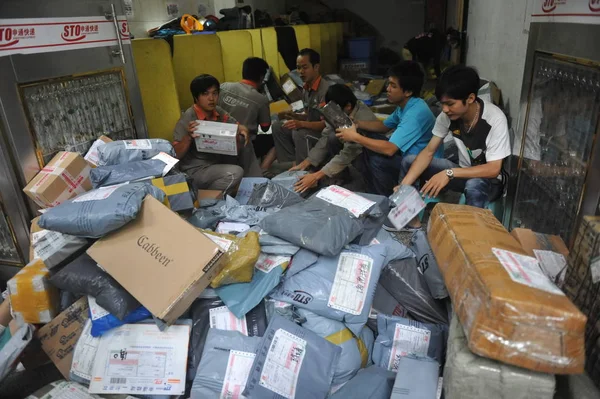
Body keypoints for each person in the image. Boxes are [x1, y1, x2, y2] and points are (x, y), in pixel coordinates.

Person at [396, 65, 510, 230]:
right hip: (461, 173)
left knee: (474, 185)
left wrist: (449, 173)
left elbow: (493, 169)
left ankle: (470, 237)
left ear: (470, 98)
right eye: (442, 104)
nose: (444, 110)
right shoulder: (447, 117)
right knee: (409, 162)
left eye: (450, 104)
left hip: (489, 182)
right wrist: (404, 185)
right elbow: (428, 152)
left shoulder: (495, 119)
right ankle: (410, 222)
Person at [336, 61, 443, 196]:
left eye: (393, 86)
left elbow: (389, 149)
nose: (388, 89)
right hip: (408, 155)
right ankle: (372, 190)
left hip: (422, 165)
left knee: (378, 161)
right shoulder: (404, 105)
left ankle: (385, 199)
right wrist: (357, 124)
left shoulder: (415, 114)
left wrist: (355, 137)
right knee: (368, 140)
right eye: (388, 84)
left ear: (408, 91)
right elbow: (384, 126)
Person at [172, 74, 262, 195]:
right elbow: (175, 155)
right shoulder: (188, 119)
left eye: (214, 93)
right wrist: (188, 137)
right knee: (235, 172)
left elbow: (237, 125)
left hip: (216, 162)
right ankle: (206, 196)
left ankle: (257, 184)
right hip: (197, 170)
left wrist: (241, 128)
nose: (211, 98)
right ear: (196, 97)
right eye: (205, 94)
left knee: (243, 139)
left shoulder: (217, 111)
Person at [289, 84, 379, 193]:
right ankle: (341, 177)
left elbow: (349, 151)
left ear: (348, 106)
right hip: (353, 149)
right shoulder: (338, 112)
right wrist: (307, 162)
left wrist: (317, 175)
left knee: (368, 179)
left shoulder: (363, 118)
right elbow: (326, 136)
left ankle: (368, 184)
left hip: (369, 154)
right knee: (332, 136)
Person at [218, 57, 277, 173]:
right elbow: (265, 127)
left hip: (219, 140)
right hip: (245, 144)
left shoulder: (223, 87)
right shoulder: (261, 99)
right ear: (262, 77)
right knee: (277, 137)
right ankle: (263, 170)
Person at [272, 48, 329, 165]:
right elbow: (309, 115)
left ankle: (304, 170)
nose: (301, 71)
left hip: (325, 136)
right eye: (298, 68)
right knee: (279, 126)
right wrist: (294, 116)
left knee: (299, 132)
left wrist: (301, 124)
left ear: (316, 67)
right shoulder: (306, 88)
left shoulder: (325, 91)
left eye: (305, 67)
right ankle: (292, 163)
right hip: (312, 128)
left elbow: (325, 125)